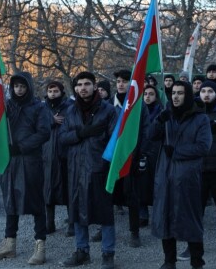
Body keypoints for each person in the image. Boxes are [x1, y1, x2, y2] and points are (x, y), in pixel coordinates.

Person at [0, 72, 51, 265]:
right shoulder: (5, 107)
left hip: (30, 161)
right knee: (10, 202)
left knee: (36, 203)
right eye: (16, 86)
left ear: (28, 87)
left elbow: (44, 132)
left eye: (23, 86)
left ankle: (40, 245)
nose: (19, 89)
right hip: (10, 162)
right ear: (12, 87)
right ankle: (9, 244)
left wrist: (21, 146)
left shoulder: (39, 108)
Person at [149, 80, 212, 269]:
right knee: (165, 218)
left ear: (187, 96)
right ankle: (169, 261)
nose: (175, 96)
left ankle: (197, 261)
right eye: (173, 93)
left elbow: (203, 146)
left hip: (187, 177)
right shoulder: (166, 115)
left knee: (190, 220)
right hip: (165, 175)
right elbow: (150, 136)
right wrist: (159, 120)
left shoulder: (200, 118)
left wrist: (176, 151)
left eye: (180, 93)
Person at [58, 71, 117, 269]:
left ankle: (108, 254)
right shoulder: (70, 111)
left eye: (87, 84)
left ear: (94, 86)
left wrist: (107, 165)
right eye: (79, 84)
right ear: (75, 88)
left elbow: (114, 141)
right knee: (77, 212)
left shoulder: (108, 111)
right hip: (75, 168)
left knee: (105, 214)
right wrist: (82, 133)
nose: (83, 88)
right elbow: (62, 138)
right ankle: (82, 251)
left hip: (99, 168)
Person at [178, 81, 216, 266]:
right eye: (203, 90)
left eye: (210, 91)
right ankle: (193, 248)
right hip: (196, 173)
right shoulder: (192, 114)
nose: (206, 94)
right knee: (195, 214)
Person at [111, 69, 150, 248]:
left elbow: (145, 132)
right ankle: (106, 228)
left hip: (131, 157)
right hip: (111, 158)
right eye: (118, 81)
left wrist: (140, 155)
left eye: (125, 81)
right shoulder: (108, 105)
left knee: (131, 196)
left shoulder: (138, 105)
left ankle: (134, 232)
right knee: (108, 194)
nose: (121, 84)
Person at [43, 81, 74, 237]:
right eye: (50, 91)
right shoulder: (42, 108)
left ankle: (72, 223)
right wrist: (51, 121)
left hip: (65, 153)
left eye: (56, 91)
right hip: (47, 154)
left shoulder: (70, 107)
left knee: (69, 189)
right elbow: (37, 126)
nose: (53, 94)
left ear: (61, 92)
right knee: (47, 190)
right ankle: (49, 223)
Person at [139, 85, 163, 227]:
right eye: (145, 94)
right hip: (142, 150)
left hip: (157, 151)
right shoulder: (139, 111)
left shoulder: (161, 112)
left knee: (157, 184)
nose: (147, 96)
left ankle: (158, 214)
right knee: (142, 183)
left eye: (151, 94)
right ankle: (143, 212)